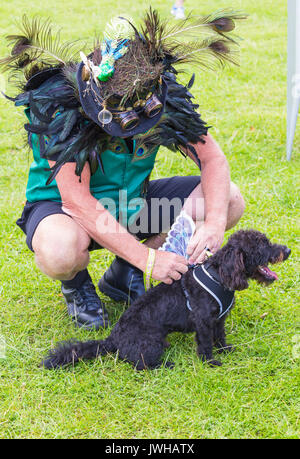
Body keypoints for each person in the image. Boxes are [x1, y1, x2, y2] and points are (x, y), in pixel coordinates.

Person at [0, 9, 245, 329]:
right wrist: (149, 261)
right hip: (66, 214)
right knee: (59, 250)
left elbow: (212, 160)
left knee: (229, 200)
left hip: (133, 206)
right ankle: (77, 285)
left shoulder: (161, 95)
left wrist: (213, 224)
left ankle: (124, 273)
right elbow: (78, 202)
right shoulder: (61, 105)